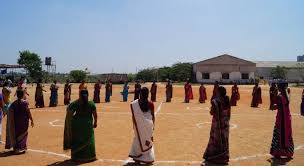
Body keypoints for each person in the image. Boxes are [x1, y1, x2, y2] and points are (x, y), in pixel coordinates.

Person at [64, 89, 98, 162]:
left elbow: (69, 109)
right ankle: (89, 156)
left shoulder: (76, 103)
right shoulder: (91, 104)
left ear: (79, 95)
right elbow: (95, 115)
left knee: (77, 139)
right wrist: (95, 123)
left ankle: (77, 156)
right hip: (87, 124)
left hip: (77, 125)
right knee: (89, 139)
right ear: (88, 95)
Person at [203, 86, 231, 165]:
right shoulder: (227, 100)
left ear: (218, 92)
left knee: (215, 140)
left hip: (217, 125)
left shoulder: (216, 101)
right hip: (225, 124)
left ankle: (214, 157)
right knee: (224, 140)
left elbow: (212, 112)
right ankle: (224, 157)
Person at [128, 87, 155, 165]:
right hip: (148, 126)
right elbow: (152, 116)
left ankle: (137, 157)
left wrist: (134, 125)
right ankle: (148, 158)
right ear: (147, 94)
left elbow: (134, 116)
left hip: (138, 125)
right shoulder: (151, 103)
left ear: (140, 93)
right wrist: (153, 126)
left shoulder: (135, 103)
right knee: (147, 141)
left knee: (138, 139)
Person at [5, 89, 34, 154]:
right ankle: (20, 148)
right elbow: (28, 112)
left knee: (17, 134)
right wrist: (31, 120)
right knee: (23, 134)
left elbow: (9, 112)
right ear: (22, 95)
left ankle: (16, 147)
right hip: (24, 122)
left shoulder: (14, 103)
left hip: (16, 122)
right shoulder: (25, 103)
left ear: (17, 95)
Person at [270, 81, 294, 159]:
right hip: (287, 119)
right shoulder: (287, 96)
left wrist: (273, 95)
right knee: (287, 134)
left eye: (278, 86)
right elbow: (288, 95)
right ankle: (288, 152)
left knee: (278, 135)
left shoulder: (279, 97)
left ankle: (278, 152)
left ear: (280, 87)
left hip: (280, 120)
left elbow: (272, 107)